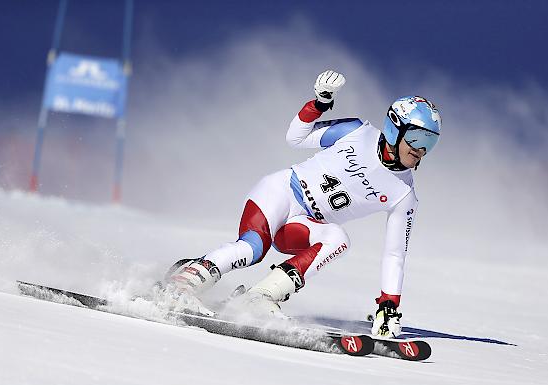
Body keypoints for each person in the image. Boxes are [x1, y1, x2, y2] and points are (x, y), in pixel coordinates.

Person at [162, 70, 442, 337]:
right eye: (417, 138)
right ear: (394, 129)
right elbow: (295, 138)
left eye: (430, 143)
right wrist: (320, 103)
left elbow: (395, 254)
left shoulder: (404, 194)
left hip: (303, 224)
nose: (421, 150)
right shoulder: (357, 132)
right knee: (252, 248)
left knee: (337, 238)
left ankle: (260, 298)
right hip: (281, 192)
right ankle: (185, 282)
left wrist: (388, 307)